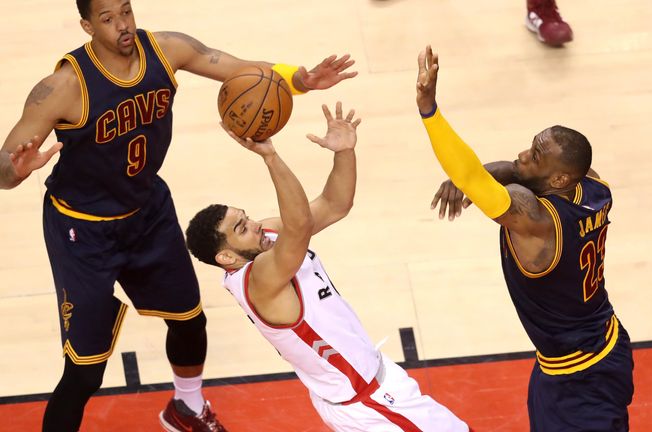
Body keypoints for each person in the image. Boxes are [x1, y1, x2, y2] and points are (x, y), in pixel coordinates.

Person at [0, 0, 358, 430]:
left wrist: (300, 79)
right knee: (85, 371)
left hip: (147, 210)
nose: (123, 25)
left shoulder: (167, 49)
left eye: (126, 11)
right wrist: (14, 173)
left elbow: (241, 70)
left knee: (190, 321)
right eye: (108, 19)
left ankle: (186, 409)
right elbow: (5, 165)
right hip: (84, 231)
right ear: (87, 25)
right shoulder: (62, 87)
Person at [185, 102, 472, 432]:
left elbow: (334, 205)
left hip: (371, 382)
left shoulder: (266, 237)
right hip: (368, 405)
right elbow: (300, 224)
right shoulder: (257, 280)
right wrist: (270, 156)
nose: (255, 224)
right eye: (241, 227)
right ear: (226, 258)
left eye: (246, 216)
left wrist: (344, 153)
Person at [416, 46, 633, 431]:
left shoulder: (535, 221)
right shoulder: (595, 187)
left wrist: (429, 109)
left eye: (535, 155)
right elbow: (510, 171)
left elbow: (477, 177)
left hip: (580, 377)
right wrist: (478, 176)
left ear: (559, 180)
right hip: (595, 346)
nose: (522, 155)